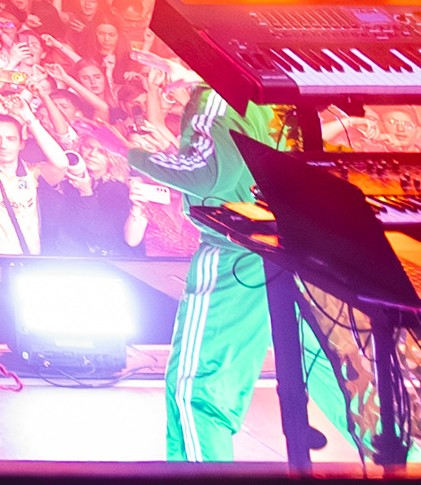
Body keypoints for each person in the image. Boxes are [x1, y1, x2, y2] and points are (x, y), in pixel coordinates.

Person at [129, 84, 352, 463]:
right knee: (338, 378)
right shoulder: (272, 99)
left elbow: (205, 176)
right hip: (298, 252)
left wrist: (132, 153)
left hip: (238, 255)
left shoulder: (215, 98)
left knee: (198, 393)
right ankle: (412, 466)